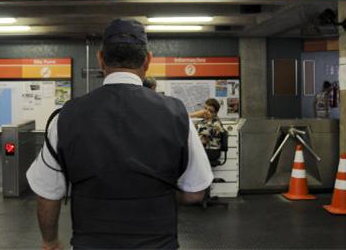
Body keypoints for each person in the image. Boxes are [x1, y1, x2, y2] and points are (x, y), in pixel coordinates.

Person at [26, 19, 213, 249]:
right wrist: (158, 197)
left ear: (101, 59)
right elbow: (196, 192)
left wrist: (50, 242)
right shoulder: (177, 113)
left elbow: (47, 193)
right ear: (147, 60)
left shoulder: (66, 117)